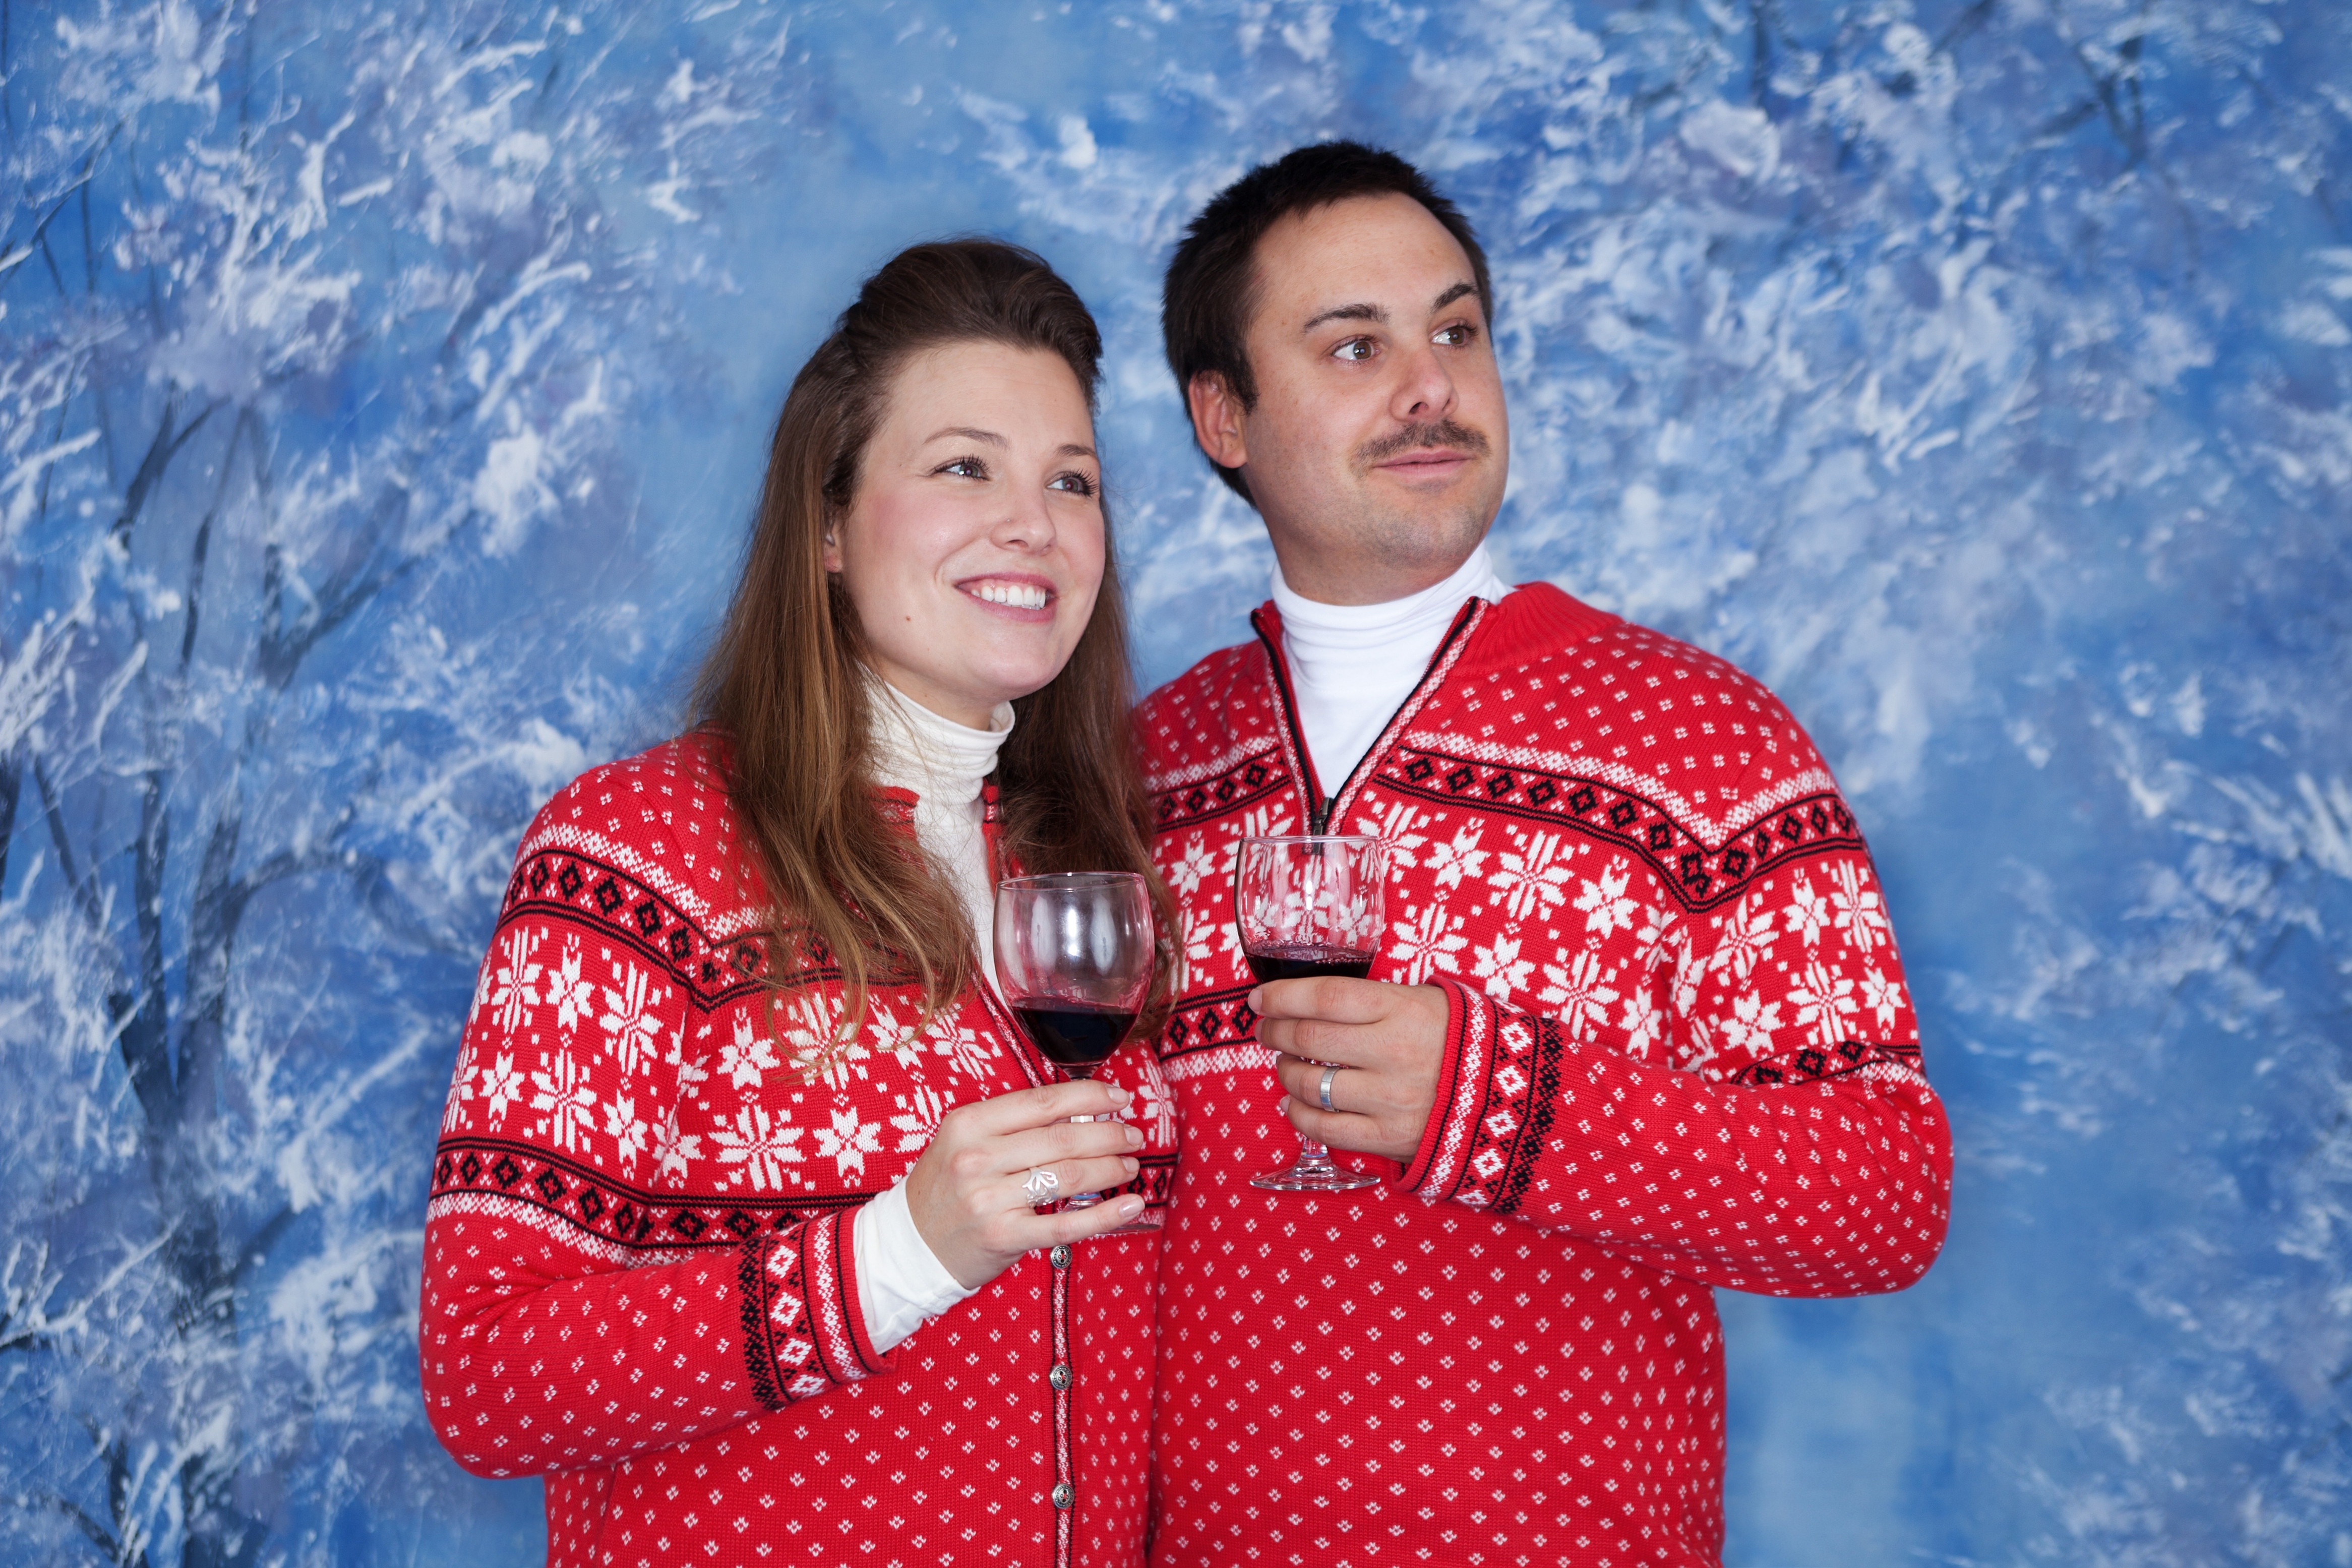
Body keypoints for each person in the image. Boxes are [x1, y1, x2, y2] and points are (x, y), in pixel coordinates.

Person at [1137, 143, 1952, 1566]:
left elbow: (1881, 1196)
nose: (1429, 386)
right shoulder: (1138, 773)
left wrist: (1506, 1105)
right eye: (1353, 346)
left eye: (1456, 331)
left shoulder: (1698, 741)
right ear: (1223, 417)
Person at [420, 239, 1179, 1568]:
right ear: (827, 526)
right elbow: (488, 1377)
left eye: (1074, 481)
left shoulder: (1085, 863)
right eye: (964, 467)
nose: (1033, 521)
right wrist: (903, 1251)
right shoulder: (635, 848)